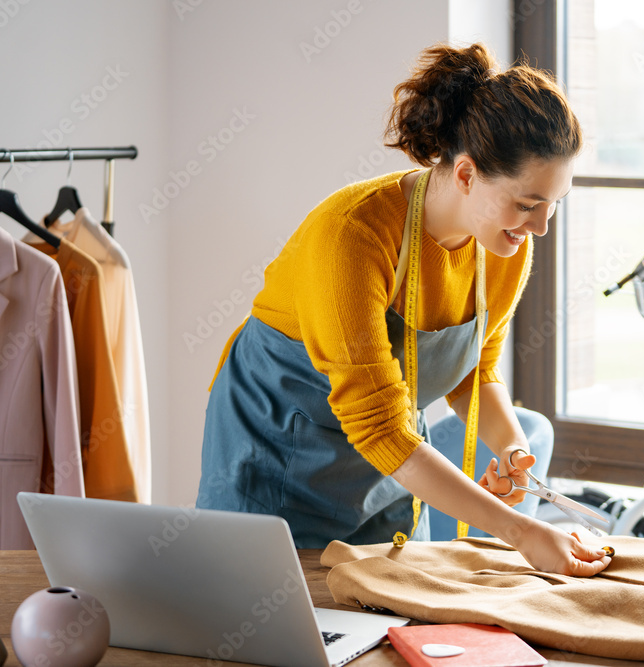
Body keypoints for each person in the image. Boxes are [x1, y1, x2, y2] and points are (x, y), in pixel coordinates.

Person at [196, 43, 609, 577]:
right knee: (266, 623)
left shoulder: (506, 247)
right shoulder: (353, 237)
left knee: (385, 629)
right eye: (527, 204)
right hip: (273, 460)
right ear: (465, 175)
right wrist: (521, 532)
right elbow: (380, 428)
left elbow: (473, 370)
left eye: (554, 204)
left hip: (389, 469)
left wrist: (511, 446)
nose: (541, 228)